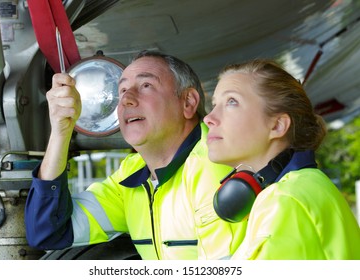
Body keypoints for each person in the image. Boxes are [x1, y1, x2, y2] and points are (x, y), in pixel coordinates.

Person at [25, 50, 247, 260]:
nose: (126, 99)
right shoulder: (132, 175)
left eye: (146, 85)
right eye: (121, 91)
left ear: (188, 102)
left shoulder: (216, 164)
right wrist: (61, 133)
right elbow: (47, 231)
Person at [204, 59, 360, 259]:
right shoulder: (304, 185)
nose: (208, 118)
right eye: (215, 104)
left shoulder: (284, 200)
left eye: (231, 101)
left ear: (277, 126)